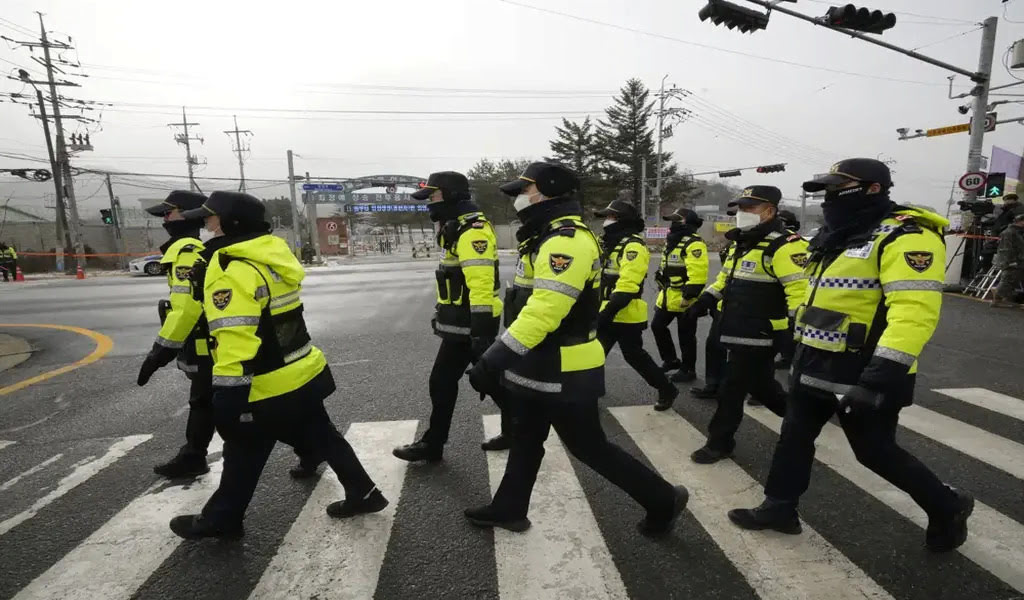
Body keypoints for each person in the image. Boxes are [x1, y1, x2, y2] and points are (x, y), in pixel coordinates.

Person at [728, 158, 974, 553]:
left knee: (874, 452)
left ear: (873, 188)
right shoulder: (834, 235)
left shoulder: (906, 236)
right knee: (793, 437)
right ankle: (779, 508)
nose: (829, 197)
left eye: (837, 187)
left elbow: (914, 313)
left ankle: (948, 506)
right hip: (814, 359)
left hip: (866, 370)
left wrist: (879, 377)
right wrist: (793, 346)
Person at [463, 162, 687, 536]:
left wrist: (493, 358)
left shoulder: (567, 241)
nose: (520, 198)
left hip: (565, 367)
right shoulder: (542, 236)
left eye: (525, 190)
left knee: (589, 447)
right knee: (525, 437)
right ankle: (509, 508)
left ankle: (663, 499)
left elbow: (545, 311)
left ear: (548, 192)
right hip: (536, 360)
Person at [168, 191, 386, 539]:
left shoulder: (232, 268)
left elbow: (235, 336)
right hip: (300, 369)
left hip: (265, 382)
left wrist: (228, 394)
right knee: (322, 435)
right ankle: (364, 491)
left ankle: (222, 518)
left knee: (244, 448)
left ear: (230, 223)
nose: (206, 225)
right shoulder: (270, 256)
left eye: (210, 219)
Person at [684, 186, 808, 464]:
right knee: (762, 386)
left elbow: (800, 292)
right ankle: (802, 422)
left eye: (749, 208)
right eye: (740, 208)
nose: (741, 214)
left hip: (762, 332)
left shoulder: (785, 245)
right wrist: (705, 299)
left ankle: (719, 442)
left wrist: (794, 333)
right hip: (737, 327)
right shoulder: (744, 242)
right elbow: (726, 277)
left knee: (732, 388)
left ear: (769, 211)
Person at [393, 171, 510, 462]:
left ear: (451, 195)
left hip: (470, 325)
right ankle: (516, 429)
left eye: (433, 197)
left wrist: (481, 334)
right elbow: (451, 283)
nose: (429, 204)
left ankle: (435, 443)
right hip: (459, 323)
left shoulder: (472, 232)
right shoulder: (455, 227)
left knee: (449, 381)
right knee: (485, 381)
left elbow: (481, 286)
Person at [136, 191, 217, 478]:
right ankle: (193, 455)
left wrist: (158, 353)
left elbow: (185, 310)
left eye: (169, 213)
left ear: (189, 214)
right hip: (205, 342)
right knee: (204, 401)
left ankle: (312, 445)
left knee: (242, 403)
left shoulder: (185, 253)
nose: (165, 220)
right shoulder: (185, 250)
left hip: (209, 345)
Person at [594, 197, 680, 411]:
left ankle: (666, 388)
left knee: (634, 356)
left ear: (622, 220)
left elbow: (628, 285)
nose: (606, 221)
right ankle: (592, 390)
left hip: (625, 314)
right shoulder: (610, 243)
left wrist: (606, 314)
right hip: (606, 310)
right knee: (594, 354)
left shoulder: (634, 246)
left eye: (611, 217)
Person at [650, 208, 709, 387]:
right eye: (673, 220)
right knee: (657, 326)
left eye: (678, 220)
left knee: (686, 336)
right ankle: (671, 360)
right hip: (668, 295)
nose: (674, 223)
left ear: (688, 222)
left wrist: (689, 296)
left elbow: (698, 273)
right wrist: (660, 276)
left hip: (685, 298)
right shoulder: (672, 241)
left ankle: (688, 370)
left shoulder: (694, 243)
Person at [774, 210, 804, 370]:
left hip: (786, 297)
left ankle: (789, 357)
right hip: (780, 296)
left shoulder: (790, 242)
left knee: (787, 330)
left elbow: (798, 281)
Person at [992, 213, 1024, 308]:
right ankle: (997, 299)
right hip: (1012, 261)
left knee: (1013, 279)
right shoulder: (1009, 233)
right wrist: (1010, 262)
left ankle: (1003, 297)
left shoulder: (1017, 232)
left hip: (1018, 260)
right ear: (1021, 221)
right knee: (1008, 279)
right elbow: (1006, 249)